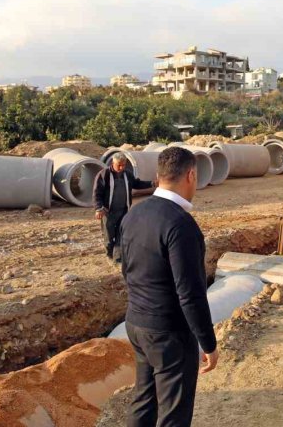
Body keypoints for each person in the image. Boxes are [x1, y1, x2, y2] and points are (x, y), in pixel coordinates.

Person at [120, 147, 218, 427]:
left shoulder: (134, 215)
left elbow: (126, 269)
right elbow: (190, 293)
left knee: (144, 400)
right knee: (173, 413)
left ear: (158, 176)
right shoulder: (180, 225)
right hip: (169, 333)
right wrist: (208, 343)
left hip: (136, 324)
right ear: (191, 175)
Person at [93, 154, 154, 263]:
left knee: (121, 234)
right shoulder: (104, 174)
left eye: (123, 165)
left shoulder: (127, 174)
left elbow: (137, 184)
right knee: (109, 237)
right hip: (108, 212)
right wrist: (98, 208)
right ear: (113, 163)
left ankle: (118, 258)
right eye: (119, 165)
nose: (121, 168)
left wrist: (152, 183)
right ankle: (109, 255)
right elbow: (97, 192)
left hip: (123, 210)